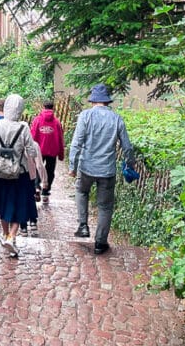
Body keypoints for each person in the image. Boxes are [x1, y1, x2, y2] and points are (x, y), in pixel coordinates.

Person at [68, 83, 135, 255]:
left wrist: (72, 166)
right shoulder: (117, 119)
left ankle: (83, 225)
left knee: (81, 191)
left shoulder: (85, 116)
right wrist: (130, 164)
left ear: (93, 100)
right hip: (107, 170)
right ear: (107, 102)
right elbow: (127, 147)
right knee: (105, 207)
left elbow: (77, 142)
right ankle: (100, 243)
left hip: (86, 167)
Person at [0, 94, 44, 257]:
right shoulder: (24, 127)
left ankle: (5, 233)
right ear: (20, 110)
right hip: (20, 174)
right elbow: (31, 150)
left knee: (2, 205)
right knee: (20, 205)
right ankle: (12, 237)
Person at [30, 99, 65, 202]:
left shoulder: (37, 120)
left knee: (37, 169)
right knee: (50, 171)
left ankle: (36, 187)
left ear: (43, 107)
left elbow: (33, 135)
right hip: (52, 151)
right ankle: (46, 191)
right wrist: (61, 154)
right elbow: (60, 138)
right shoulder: (57, 122)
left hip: (39, 150)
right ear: (53, 108)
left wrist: (31, 151)